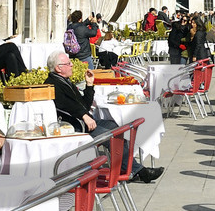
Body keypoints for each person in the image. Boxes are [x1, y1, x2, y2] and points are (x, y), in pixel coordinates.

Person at [46, 51, 163, 184]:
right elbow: (64, 104)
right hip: (74, 126)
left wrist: (89, 85)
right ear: (58, 68)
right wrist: (83, 115)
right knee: (111, 136)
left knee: (115, 127)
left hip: (84, 121)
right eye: (68, 63)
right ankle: (139, 172)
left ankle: (127, 168)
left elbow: (84, 104)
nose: (72, 65)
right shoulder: (52, 84)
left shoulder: (64, 81)